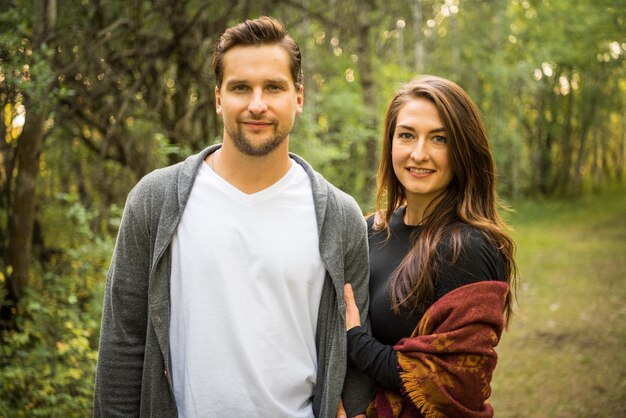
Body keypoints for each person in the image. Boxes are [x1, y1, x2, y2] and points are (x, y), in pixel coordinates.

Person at [93, 16, 373, 418]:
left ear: (298, 97)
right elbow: (123, 346)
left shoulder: (339, 217)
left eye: (273, 87)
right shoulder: (155, 202)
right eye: (241, 87)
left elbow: (352, 347)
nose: (256, 104)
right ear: (219, 98)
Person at [342, 75, 518, 417]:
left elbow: (458, 383)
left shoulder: (467, 246)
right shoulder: (371, 229)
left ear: (463, 150)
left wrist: (357, 342)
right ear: (391, 142)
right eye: (406, 135)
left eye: (439, 139)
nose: (418, 154)